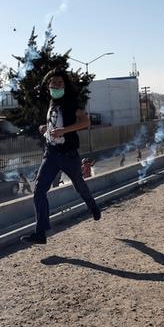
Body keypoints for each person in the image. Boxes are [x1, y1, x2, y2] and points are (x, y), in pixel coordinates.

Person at [21, 69, 101, 245]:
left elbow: (86, 122)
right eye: (53, 83)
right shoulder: (51, 103)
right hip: (50, 154)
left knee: (79, 185)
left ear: (65, 85)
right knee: (39, 191)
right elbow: (53, 124)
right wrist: (44, 128)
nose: (55, 85)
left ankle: (92, 206)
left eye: (59, 83)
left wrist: (64, 130)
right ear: (48, 86)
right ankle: (40, 233)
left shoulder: (71, 103)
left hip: (68, 155)